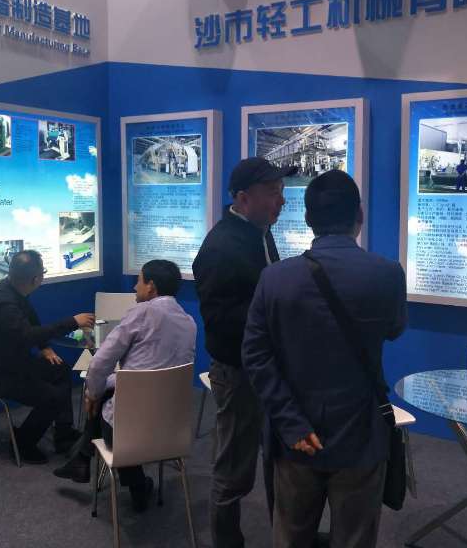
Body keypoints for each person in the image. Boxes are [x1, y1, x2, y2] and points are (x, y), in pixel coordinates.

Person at [242, 170, 407, 548]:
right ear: (359, 214)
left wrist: (291, 422)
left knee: (291, 534)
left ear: (307, 219)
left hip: (296, 436)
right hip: (361, 432)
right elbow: (394, 330)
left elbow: (255, 355)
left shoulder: (275, 278)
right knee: (355, 537)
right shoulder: (387, 274)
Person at [192, 156, 296, 548]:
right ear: (242, 198)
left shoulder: (259, 232)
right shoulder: (221, 247)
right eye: (272, 192)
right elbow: (219, 320)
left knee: (275, 457)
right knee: (233, 468)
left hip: (266, 368)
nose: (281, 200)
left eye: (281, 191)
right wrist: (272, 314)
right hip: (239, 372)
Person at [53, 259, 196, 512]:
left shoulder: (141, 314)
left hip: (127, 433)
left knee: (100, 396)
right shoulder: (189, 323)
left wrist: (91, 394)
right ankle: (84, 461)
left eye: (138, 281)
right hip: (172, 429)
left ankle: (125, 479)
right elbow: (153, 372)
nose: (134, 287)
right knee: (108, 391)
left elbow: (100, 363)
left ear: (151, 286)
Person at [0, 250, 95, 464]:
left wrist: (44, 347)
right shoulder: (4, 303)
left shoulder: (11, 289)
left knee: (60, 369)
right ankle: (22, 443)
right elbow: (27, 334)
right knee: (52, 397)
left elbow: (29, 320)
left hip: (12, 363)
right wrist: (73, 322)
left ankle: (63, 434)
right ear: (36, 279)